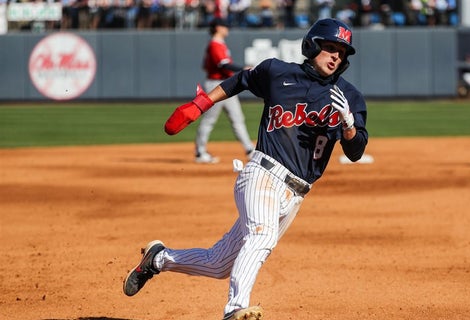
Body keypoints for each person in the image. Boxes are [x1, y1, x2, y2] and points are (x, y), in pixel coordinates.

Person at [122, 18, 368, 320]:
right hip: (262, 173)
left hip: (296, 195)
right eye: (330, 48)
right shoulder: (278, 72)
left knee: (219, 264)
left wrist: (349, 126)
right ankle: (235, 310)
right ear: (312, 46)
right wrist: (201, 104)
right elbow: (239, 80)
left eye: (342, 53)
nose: (336, 57)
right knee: (261, 238)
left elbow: (356, 153)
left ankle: (158, 259)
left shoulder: (349, 97)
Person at [194, 18, 255, 164]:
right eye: (225, 26)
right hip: (216, 86)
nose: (227, 28)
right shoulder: (215, 44)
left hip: (226, 85)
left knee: (238, 119)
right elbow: (223, 64)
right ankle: (200, 152)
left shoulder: (219, 44)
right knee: (209, 120)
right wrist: (242, 69)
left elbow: (206, 65)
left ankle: (249, 150)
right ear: (217, 28)